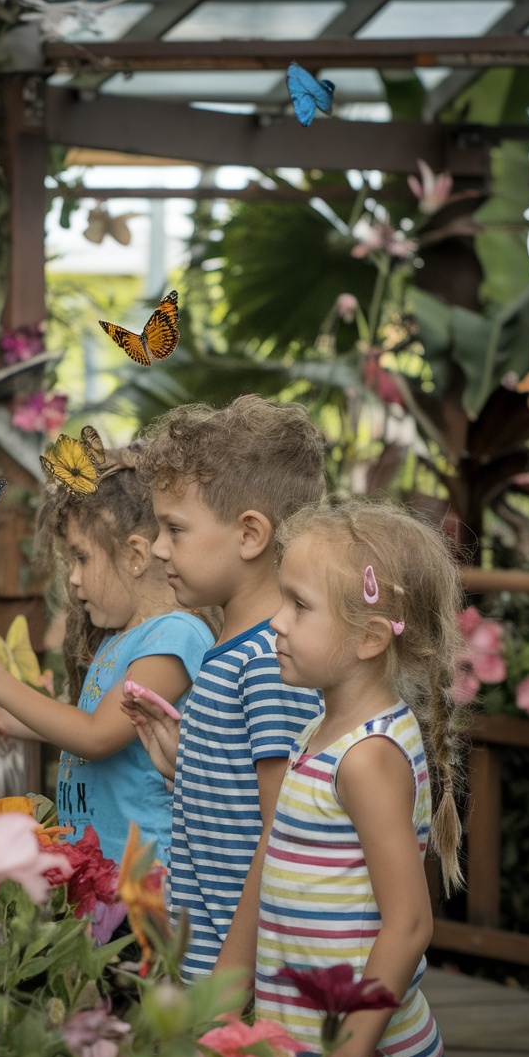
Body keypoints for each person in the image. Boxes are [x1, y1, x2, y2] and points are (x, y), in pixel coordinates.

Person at [221, 495, 464, 1057]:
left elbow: (409, 924)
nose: (276, 621)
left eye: (298, 605)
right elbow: (270, 861)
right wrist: (223, 996)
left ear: (368, 639)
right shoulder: (319, 732)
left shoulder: (367, 758)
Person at [126, 395, 326, 979]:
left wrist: (229, 983)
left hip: (238, 979)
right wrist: (184, 763)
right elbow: (237, 803)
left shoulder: (270, 663)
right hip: (208, 962)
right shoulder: (231, 652)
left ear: (249, 535)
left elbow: (279, 835)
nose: (159, 548)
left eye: (175, 529)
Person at [0, 441, 214, 866]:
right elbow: (80, 728)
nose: (72, 579)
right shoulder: (120, 639)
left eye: (80, 557)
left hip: (143, 880)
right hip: (99, 874)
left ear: (135, 556)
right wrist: (0, 715)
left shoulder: (174, 637)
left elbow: (96, 736)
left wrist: (2, 683)